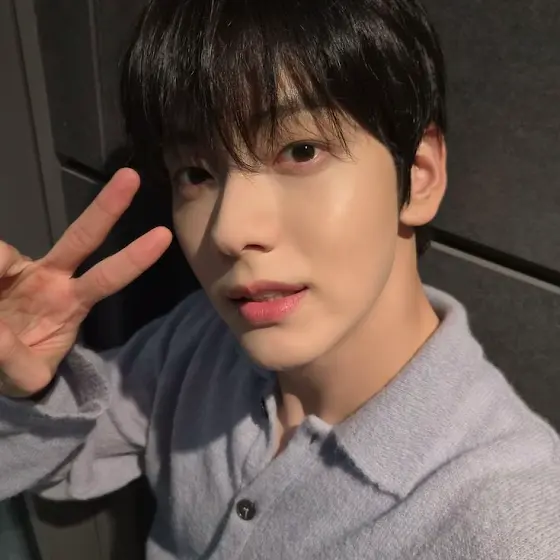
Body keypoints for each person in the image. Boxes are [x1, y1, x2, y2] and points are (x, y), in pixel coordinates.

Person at [0, 0, 559, 558]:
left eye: (300, 150)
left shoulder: (507, 524)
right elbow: (58, 461)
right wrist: (29, 386)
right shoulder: (200, 343)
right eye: (196, 173)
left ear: (419, 176)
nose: (228, 231)